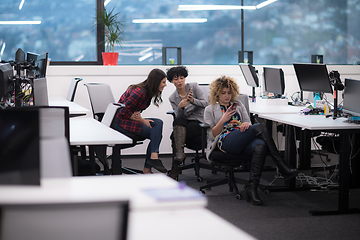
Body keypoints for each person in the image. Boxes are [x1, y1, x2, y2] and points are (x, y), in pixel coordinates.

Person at [204, 76, 298, 205]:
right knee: (260, 127)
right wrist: (223, 120)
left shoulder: (239, 105)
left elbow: (247, 122)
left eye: (229, 93)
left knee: (260, 145)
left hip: (241, 137)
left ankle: (252, 187)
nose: (227, 96)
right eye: (223, 93)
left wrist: (245, 125)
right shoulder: (210, 109)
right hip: (224, 140)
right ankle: (281, 165)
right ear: (217, 93)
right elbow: (212, 135)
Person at [111, 68, 168, 174]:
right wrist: (142, 120)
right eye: (163, 82)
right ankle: (151, 163)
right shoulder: (140, 92)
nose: (165, 85)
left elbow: (132, 110)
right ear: (156, 82)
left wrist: (140, 119)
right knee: (154, 133)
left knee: (158, 123)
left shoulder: (147, 92)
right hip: (119, 122)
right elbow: (122, 111)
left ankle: (151, 161)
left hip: (126, 119)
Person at [167, 66, 207, 179]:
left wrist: (192, 101)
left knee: (174, 136)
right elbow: (180, 116)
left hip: (199, 122)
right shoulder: (173, 98)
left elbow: (206, 104)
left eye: (181, 78)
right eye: (176, 79)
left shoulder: (194, 87)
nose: (179, 81)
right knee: (178, 120)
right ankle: (179, 155)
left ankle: (175, 168)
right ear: (171, 81)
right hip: (185, 123)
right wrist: (180, 108)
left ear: (185, 78)